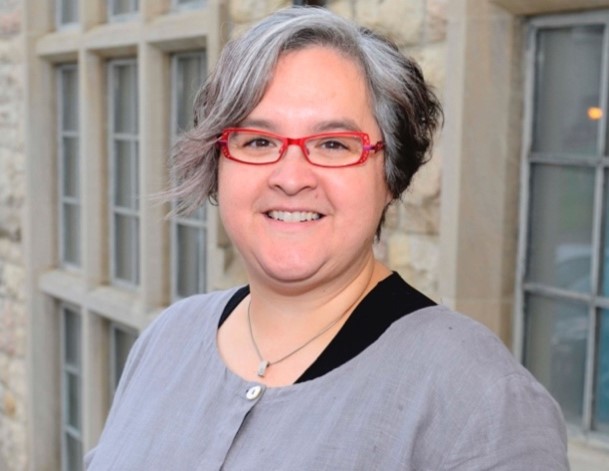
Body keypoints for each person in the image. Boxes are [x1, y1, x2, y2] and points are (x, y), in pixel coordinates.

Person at [86, 7, 569, 470]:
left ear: (391, 174)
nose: (291, 177)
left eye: (334, 144)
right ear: (218, 164)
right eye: (258, 141)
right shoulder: (167, 339)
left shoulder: (478, 399)